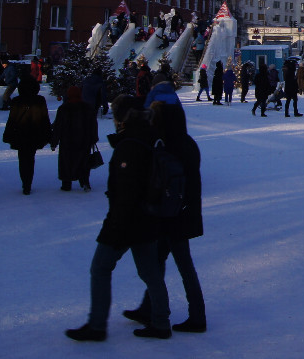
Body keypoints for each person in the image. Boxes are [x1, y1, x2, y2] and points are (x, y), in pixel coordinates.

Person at [65, 96, 172, 342]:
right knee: (150, 272)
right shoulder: (150, 135)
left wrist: (116, 226)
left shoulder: (130, 144)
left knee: (100, 268)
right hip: (147, 216)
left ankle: (97, 325)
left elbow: (126, 190)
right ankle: (161, 321)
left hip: (127, 220)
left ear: (123, 118)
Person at [125, 101, 206, 334]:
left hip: (171, 214)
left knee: (177, 264)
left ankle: (196, 316)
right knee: (163, 262)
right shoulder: (187, 142)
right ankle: (148, 306)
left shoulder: (168, 145)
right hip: (184, 211)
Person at [3, 76, 53, 195]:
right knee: (31, 159)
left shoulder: (16, 101)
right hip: (34, 135)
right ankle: (28, 183)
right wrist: (48, 134)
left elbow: (12, 119)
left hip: (20, 134)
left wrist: (8, 135)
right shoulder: (40, 100)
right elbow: (44, 119)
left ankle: (25, 183)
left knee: (23, 159)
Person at [54, 85, 99, 192]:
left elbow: (58, 126)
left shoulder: (63, 109)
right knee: (83, 161)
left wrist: (54, 141)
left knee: (66, 162)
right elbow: (93, 124)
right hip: (84, 140)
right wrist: (93, 138)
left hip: (67, 141)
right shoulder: (87, 108)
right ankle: (84, 181)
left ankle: (66, 183)